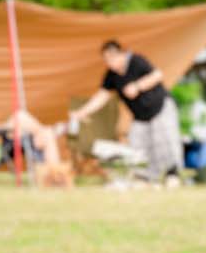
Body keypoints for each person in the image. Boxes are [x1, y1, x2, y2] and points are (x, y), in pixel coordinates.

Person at [71, 40, 183, 183]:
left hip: (160, 108)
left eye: (112, 57)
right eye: (106, 59)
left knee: (165, 142)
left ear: (121, 54)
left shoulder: (137, 61)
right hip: (140, 116)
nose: (110, 62)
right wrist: (82, 112)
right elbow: (102, 96)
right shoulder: (111, 75)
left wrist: (137, 86)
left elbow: (157, 75)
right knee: (137, 144)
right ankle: (144, 177)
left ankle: (172, 175)